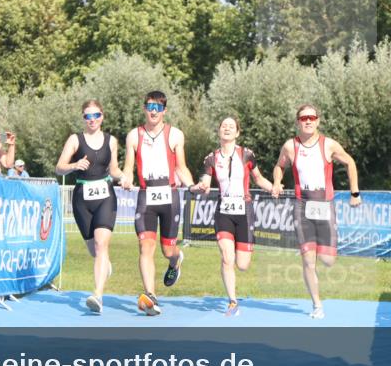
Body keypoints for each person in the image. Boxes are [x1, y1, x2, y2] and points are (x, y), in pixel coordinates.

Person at [271, 104, 362, 319]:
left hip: (324, 205)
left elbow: (350, 162)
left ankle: (324, 251)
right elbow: (279, 166)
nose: (308, 121)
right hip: (302, 206)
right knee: (308, 260)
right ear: (297, 122)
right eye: (304, 118)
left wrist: (355, 193)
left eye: (312, 117)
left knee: (328, 260)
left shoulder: (328, 145)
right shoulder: (290, 146)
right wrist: (276, 181)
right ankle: (317, 305)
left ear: (318, 121)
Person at [120, 91, 196, 316]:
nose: (153, 112)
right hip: (146, 196)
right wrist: (126, 177)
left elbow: (181, 167)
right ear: (144, 108)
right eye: (149, 107)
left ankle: (175, 261)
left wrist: (191, 185)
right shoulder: (134, 135)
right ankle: (150, 295)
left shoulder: (175, 135)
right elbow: (128, 166)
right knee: (145, 246)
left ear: (164, 111)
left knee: (167, 250)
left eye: (158, 108)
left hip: (169, 195)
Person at [191, 117, 274, 316]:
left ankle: (236, 286)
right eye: (223, 126)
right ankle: (232, 301)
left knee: (242, 265)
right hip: (224, 211)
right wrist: (196, 187)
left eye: (231, 126)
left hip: (244, 211)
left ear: (237, 133)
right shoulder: (211, 158)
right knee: (227, 257)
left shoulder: (247, 155)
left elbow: (259, 178)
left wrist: (275, 188)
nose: (227, 129)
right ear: (219, 131)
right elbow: (204, 183)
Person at [57, 100, 125, 314]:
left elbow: (113, 169)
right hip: (81, 198)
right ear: (83, 118)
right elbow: (59, 168)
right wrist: (74, 165)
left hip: (105, 195)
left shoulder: (111, 141)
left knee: (101, 244)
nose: (92, 119)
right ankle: (103, 264)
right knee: (93, 249)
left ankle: (97, 295)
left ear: (102, 116)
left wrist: (124, 177)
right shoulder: (75, 140)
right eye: (88, 116)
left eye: (96, 115)